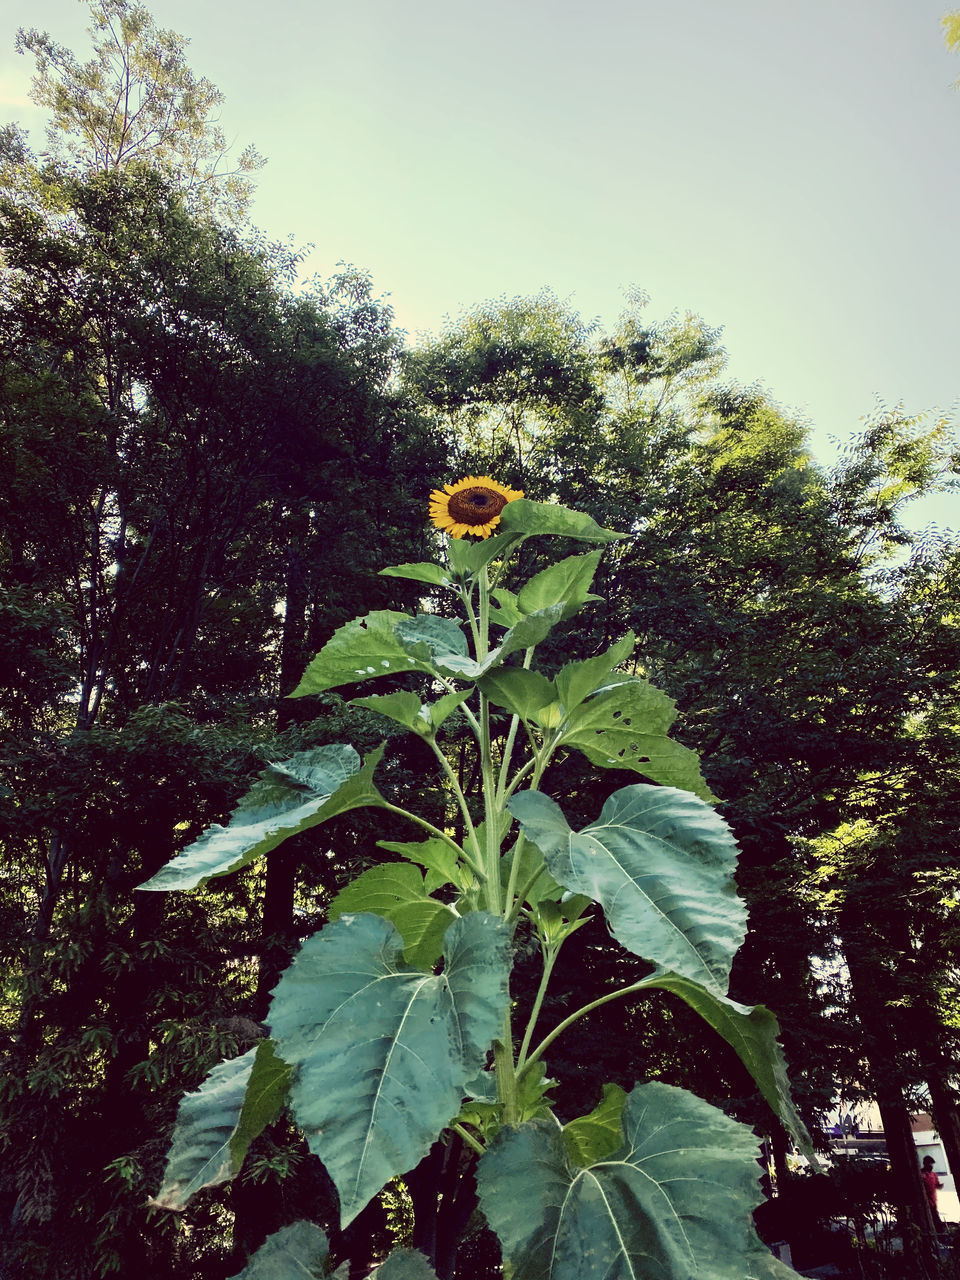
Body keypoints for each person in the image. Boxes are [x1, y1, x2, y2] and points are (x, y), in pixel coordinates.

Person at [920, 1155, 945, 1233]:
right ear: (925, 1164)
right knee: (934, 1219)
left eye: (932, 1164)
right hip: (925, 1201)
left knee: (935, 1217)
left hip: (933, 1200)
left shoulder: (934, 1174)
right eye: (930, 1164)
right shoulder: (920, 1174)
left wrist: (940, 1186)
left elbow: (937, 1185)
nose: (931, 1166)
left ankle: (939, 1234)